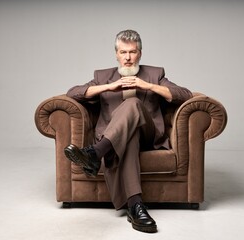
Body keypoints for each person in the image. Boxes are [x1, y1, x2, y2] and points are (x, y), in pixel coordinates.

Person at [64, 29, 192, 233]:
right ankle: (136, 205)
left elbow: (185, 95)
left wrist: (148, 85)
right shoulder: (103, 76)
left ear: (140, 53)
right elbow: (72, 93)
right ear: (116, 54)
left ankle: (96, 153)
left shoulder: (155, 74)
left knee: (132, 103)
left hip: (148, 136)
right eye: (123, 52)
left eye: (132, 52)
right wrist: (108, 87)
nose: (128, 57)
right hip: (119, 138)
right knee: (128, 136)